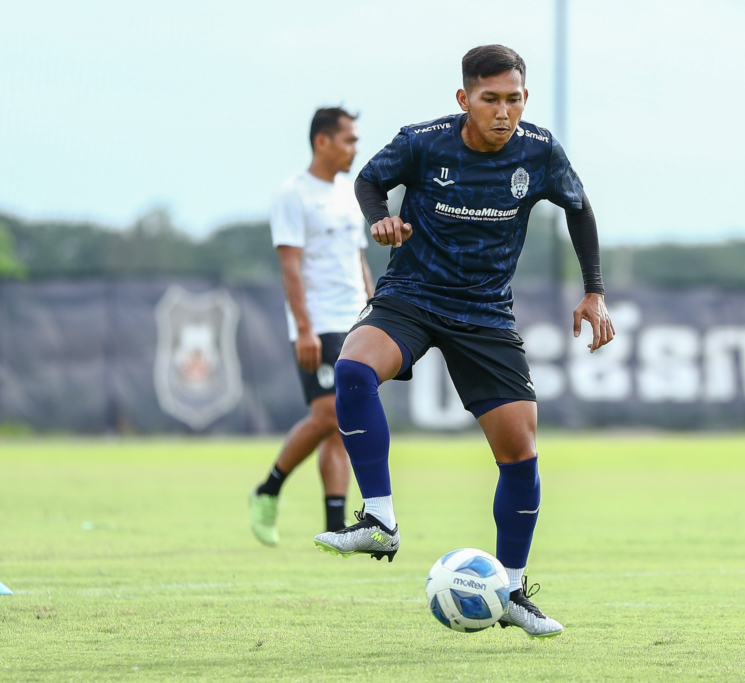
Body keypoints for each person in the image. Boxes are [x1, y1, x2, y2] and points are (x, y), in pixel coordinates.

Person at [313, 45, 614, 638]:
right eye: (490, 99)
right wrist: (380, 219)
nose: (503, 112)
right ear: (464, 99)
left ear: (525, 99)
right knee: (352, 370)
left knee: (520, 452)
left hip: (485, 313)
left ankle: (512, 589)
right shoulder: (424, 142)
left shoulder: (540, 150)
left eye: (514, 99)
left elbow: (578, 209)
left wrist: (594, 291)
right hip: (412, 296)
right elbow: (370, 180)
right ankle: (379, 519)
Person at [249, 106, 375, 546]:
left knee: (344, 421)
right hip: (318, 323)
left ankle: (335, 526)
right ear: (322, 141)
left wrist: (374, 306)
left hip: (355, 320)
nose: (355, 149)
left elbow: (358, 258)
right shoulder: (293, 194)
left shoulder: (349, 194)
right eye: (349, 140)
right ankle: (268, 489)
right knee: (327, 415)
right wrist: (303, 329)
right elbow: (290, 266)